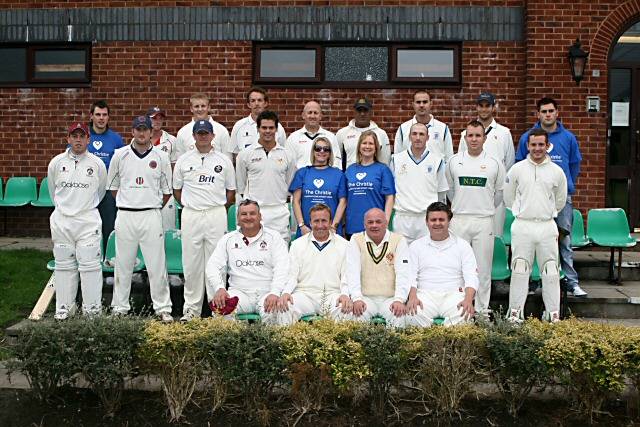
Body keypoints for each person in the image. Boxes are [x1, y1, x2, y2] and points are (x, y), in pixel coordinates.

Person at [515, 97, 585, 297]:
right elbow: (520, 164)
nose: (547, 114)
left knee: (564, 239)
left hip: (561, 199)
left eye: (551, 111)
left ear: (557, 113)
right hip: (535, 199)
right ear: (538, 114)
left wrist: (567, 185)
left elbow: (574, 165)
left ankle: (571, 282)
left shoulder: (568, 138)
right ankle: (536, 281)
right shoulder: (527, 137)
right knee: (536, 240)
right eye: (543, 111)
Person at [107, 115, 174, 322]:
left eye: (146, 129)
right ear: (133, 131)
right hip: (126, 214)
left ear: (151, 132)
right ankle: (120, 308)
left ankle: (163, 308)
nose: (142, 133)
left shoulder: (161, 157)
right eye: (138, 129)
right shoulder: (120, 155)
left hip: (151, 214)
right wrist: (130, 202)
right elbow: (113, 188)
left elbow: (166, 191)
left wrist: (149, 204)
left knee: (157, 264)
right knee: (123, 264)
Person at [173, 120, 236, 321]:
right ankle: (191, 310)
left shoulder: (223, 161)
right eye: (199, 133)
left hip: (215, 213)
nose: (203, 136)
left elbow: (231, 191)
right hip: (191, 213)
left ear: (212, 136)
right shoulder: (183, 160)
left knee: (216, 262)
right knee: (191, 263)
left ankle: (217, 309)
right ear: (193, 136)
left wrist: (217, 207)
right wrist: (192, 205)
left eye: (206, 133)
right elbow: (176, 190)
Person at [505, 128, 567, 323]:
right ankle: (515, 313)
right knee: (520, 269)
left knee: (550, 270)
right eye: (533, 145)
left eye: (541, 144)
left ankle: (552, 314)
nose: (537, 148)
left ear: (547, 146)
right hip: (523, 225)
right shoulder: (517, 169)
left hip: (547, 225)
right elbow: (509, 197)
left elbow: (560, 200)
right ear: (527, 146)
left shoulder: (557, 172)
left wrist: (546, 213)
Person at [48, 122, 107, 319]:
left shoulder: (97, 164)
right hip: (62, 221)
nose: (78, 140)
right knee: (64, 266)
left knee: (90, 266)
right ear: (68, 139)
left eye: (82, 136)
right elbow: (53, 192)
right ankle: (63, 310)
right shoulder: (56, 162)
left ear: (88, 139)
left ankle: (92, 312)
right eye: (75, 136)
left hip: (87, 221)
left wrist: (83, 208)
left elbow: (101, 192)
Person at [446, 120, 505, 316]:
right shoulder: (454, 161)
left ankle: (481, 310)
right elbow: (451, 191)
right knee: (457, 268)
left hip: (483, 220)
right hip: (460, 219)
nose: (474, 139)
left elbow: (498, 194)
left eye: (478, 135)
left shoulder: (494, 163)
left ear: (484, 138)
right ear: (465, 137)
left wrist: (482, 208)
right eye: (470, 135)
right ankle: (459, 309)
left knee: (483, 269)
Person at [205, 200, 289, 321]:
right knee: (221, 310)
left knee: (276, 312)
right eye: (244, 214)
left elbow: (282, 267)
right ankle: (234, 340)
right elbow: (212, 266)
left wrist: (275, 292)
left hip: (267, 292)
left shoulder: (274, 237)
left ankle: (268, 341)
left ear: (260, 216)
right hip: (239, 292)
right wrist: (219, 288)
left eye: (252, 213)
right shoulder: (228, 239)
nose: (248, 217)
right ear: (238, 218)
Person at [273, 203, 351, 324]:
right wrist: (286, 292)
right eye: (316, 221)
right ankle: (286, 343)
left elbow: (346, 275)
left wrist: (345, 294)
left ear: (330, 222)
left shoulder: (344, 245)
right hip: (304, 294)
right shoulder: (297, 245)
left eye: (324, 221)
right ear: (310, 222)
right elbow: (292, 274)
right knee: (285, 307)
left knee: (345, 309)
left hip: (332, 294)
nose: (320, 225)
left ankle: (337, 343)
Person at [403, 202, 478, 327]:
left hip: (454, 294)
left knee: (464, 316)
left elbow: (471, 277)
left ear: (449, 221)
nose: (437, 223)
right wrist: (412, 297)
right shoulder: (416, 246)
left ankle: (444, 343)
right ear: (426, 222)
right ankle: (432, 341)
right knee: (411, 315)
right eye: (433, 220)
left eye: (441, 219)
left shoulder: (463, 246)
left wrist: (468, 300)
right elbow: (410, 275)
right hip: (424, 294)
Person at [458, 92, 515, 237]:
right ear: (476, 107)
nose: (484, 109)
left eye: (487, 106)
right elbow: (460, 164)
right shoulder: (466, 133)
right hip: (471, 196)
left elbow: (508, 164)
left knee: (494, 237)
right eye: (481, 106)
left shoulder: (504, 133)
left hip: (495, 194)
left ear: (493, 107)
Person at [236, 110, 296, 242]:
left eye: (271, 128)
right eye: (264, 127)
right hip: (253, 212)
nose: (267, 131)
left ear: (276, 129)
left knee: (280, 256)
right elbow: (241, 184)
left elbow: (289, 183)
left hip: (279, 212)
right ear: (258, 129)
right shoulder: (245, 154)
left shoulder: (287, 155)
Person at [345, 208, 410, 326]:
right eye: (370, 222)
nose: (374, 225)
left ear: (386, 223)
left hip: (390, 298)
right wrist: (356, 298)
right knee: (356, 315)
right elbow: (352, 271)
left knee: (398, 316)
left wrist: (399, 299)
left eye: (378, 222)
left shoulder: (399, 240)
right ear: (364, 224)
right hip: (365, 298)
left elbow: (403, 273)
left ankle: (393, 345)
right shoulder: (356, 239)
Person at [390, 122, 447, 243]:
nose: (417, 137)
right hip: (402, 218)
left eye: (421, 134)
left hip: (426, 219)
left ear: (428, 137)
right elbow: (391, 192)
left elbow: (441, 193)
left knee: (426, 259)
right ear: (409, 136)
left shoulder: (437, 161)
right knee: (402, 258)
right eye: (414, 134)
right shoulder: (396, 159)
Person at [289, 137, 347, 237]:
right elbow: (296, 201)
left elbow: (343, 201)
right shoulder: (302, 173)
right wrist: (302, 225)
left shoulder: (339, 174)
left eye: (326, 149)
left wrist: (333, 227)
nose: (322, 151)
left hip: (331, 231)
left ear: (330, 153)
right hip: (306, 230)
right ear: (313, 151)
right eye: (318, 148)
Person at [87, 100, 124, 252]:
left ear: (108, 117)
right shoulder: (83, 136)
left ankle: (108, 262)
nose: (101, 118)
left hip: (109, 191)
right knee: (88, 228)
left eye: (104, 115)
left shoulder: (116, 139)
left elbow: (123, 165)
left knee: (109, 226)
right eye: (98, 115)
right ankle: (89, 260)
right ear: (91, 117)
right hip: (88, 190)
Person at [344, 130, 395, 237]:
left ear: (376, 148)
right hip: (352, 225)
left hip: (375, 226)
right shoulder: (350, 170)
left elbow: (390, 197)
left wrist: (385, 221)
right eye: (364, 143)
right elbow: (344, 199)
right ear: (359, 147)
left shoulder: (383, 169)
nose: (367, 146)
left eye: (371, 143)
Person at [137, 106, 179, 231]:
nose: (157, 121)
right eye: (154, 118)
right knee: (146, 230)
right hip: (145, 190)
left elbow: (174, 167)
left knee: (167, 230)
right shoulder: (138, 139)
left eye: (160, 118)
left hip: (165, 192)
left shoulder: (171, 140)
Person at [394, 90, 453, 163]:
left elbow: (449, 158)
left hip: (436, 173)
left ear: (431, 104)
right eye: (418, 102)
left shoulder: (443, 128)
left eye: (425, 102)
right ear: (413, 104)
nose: (421, 105)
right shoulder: (403, 129)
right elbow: (397, 158)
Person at [230, 86, 287, 157]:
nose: (256, 103)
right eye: (253, 101)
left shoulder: (278, 127)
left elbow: (283, 152)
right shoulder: (239, 126)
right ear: (248, 104)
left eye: (259, 100)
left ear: (266, 103)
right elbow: (235, 154)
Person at [336, 97, 391, 168]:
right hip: (349, 177)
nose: (362, 114)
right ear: (354, 112)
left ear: (371, 112)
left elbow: (385, 161)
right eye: (359, 110)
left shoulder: (381, 134)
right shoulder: (342, 133)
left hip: (373, 177)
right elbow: (336, 160)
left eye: (365, 110)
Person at [286, 101, 342, 169]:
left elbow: (337, 163)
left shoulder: (330, 137)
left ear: (320, 116)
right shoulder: (293, 138)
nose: (312, 116)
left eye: (316, 113)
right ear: (303, 115)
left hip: (325, 178)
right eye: (309, 112)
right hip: (301, 178)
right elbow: (288, 164)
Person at [175, 93, 232, 160]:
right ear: (191, 108)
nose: (200, 109)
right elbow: (179, 161)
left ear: (208, 107)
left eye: (203, 106)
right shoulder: (183, 132)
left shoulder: (221, 130)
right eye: (196, 106)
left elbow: (228, 160)